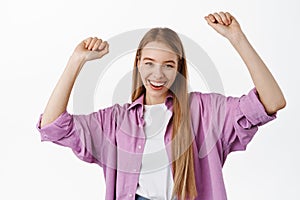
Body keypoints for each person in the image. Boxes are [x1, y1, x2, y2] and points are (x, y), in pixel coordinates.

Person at [36, 12, 286, 200]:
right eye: (149, 63)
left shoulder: (205, 110)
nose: (158, 74)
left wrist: (237, 38)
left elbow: (272, 102)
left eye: (168, 64)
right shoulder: (115, 121)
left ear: (179, 67)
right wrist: (76, 60)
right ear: (138, 63)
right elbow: (52, 126)